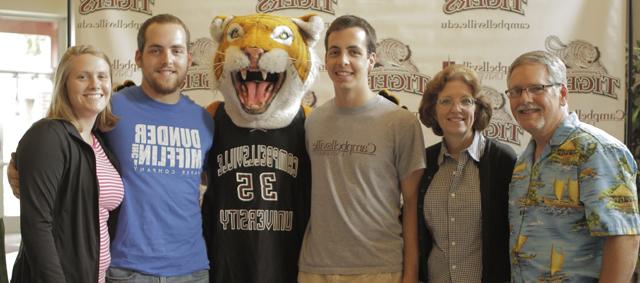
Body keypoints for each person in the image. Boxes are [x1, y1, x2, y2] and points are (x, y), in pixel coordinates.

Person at [298, 15, 425, 283]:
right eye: (335, 52)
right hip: (315, 269)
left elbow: (412, 206)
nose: (343, 61)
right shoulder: (312, 122)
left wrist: (411, 274)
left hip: (379, 269)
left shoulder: (400, 122)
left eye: (353, 52)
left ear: (371, 60)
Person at [507, 50, 640, 282]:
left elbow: (624, 238)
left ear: (563, 94)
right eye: (516, 91)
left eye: (537, 88)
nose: (525, 99)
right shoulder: (523, 163)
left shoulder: (596, 150)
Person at [102, 14, 214, 282]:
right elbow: (64, 145)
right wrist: (19, 169)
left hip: (192, 270)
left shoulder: (204, 121)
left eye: (176, 51)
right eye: (156, 50)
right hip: (128, 269)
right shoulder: (110, 109)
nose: (167, 60)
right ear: (139, 57)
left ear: (189, 57)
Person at [11, 45, 123, 282]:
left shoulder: (99, 143)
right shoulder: (48, 135)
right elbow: (37, 225)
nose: (95, 84)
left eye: (102, 76)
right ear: (64, 85)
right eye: (82, 76)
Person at [417, 64, 515, 282]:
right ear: (433, 109)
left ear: (477, 108)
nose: (456, 109)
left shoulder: (502, 160)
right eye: (445, 101)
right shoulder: (425, 163)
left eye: (466, 101)